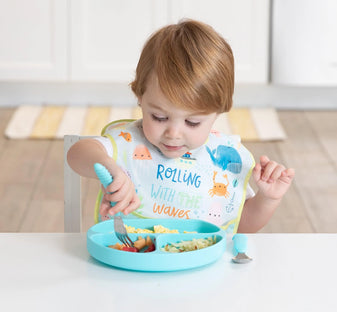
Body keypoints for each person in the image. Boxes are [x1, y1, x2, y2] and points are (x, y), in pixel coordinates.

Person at [67, 19, 295, 233]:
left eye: (192, 122)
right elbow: (77, 153)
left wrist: (268, 199)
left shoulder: (226, 160)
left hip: (201, 270)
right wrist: (109, 166)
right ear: (139, 96)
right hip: (129, 264)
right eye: (158, 117)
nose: (173, 134)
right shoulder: (128, 142)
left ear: (219, 110)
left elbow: (240, 224)